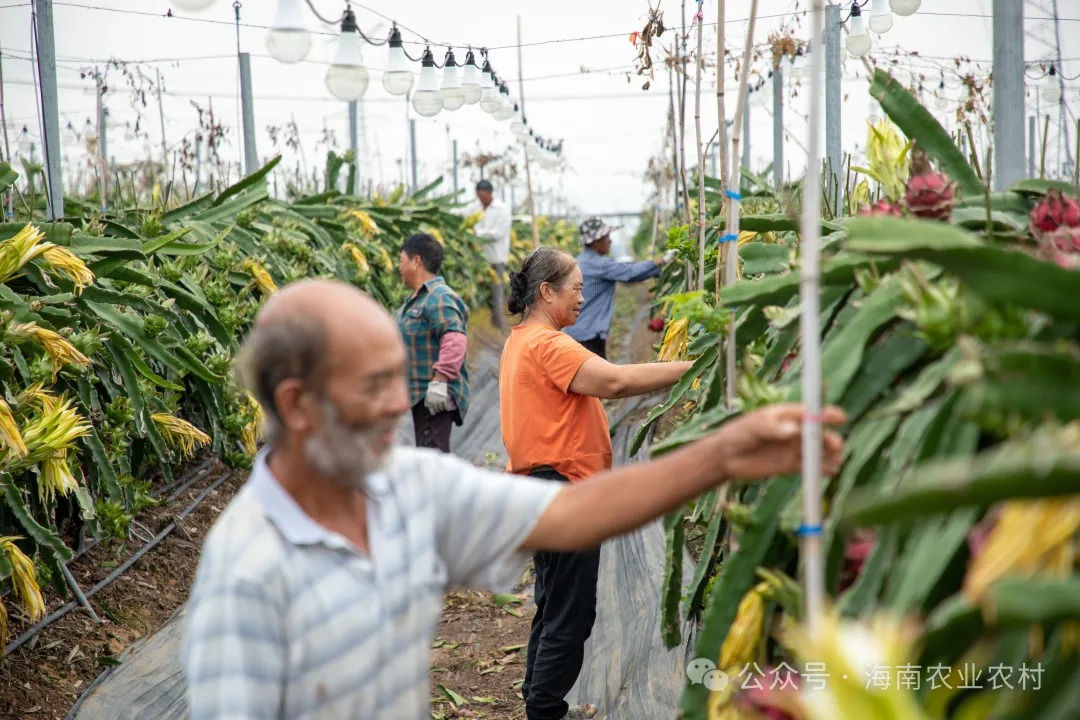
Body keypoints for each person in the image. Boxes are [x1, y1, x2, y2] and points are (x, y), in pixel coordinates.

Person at [179, 277, 846, 720]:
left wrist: (724, 453)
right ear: (297, 404)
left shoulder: (404, 487)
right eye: (374, 384)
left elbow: (572, 515)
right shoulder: (247, 575)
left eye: (398, 379)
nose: (395, 405)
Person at [499, 246, 698, 720]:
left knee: (553, 605)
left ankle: (539, 701)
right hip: (564, 489)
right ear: (546, 292)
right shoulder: (549, 344)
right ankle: (545, 711)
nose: (583, 298)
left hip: (543, 489)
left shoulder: (521, 339)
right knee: (570, 615)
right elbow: (613, 382)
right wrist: (695, 369)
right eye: (577, 289)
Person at [394, 233, 469, 453]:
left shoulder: (439, 296)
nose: (399, 267)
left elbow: (455, 339)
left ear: (416, 261)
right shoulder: (417, 299)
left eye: (401, 261)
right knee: (430, 457)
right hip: (421, 396)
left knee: (432, 459)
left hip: (434, 395)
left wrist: (439, 380)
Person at [564, 216, 677, 360]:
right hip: (588, 335)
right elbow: (629, 273)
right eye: (606, 237)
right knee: (595, 378)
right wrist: (662, 261)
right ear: (596, 241)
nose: (610, 240)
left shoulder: (581, 259)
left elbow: (624, 269)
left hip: (577, 332)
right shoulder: (598, 264)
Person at [473, 179, 512, 332]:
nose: (480, 199)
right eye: (478, 196)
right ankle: (485, 322)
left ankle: (499, 325)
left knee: (496, 292)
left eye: (482, 195)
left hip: (496, 257)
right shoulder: (477, 207)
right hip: (479, 257)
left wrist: (477, 233)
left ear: (489, 193)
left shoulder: (502, 209)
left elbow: (498, 233)